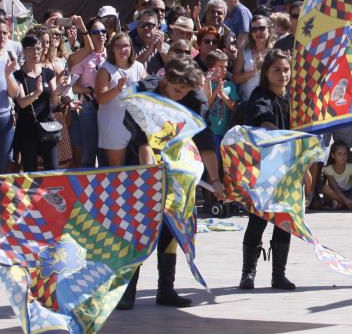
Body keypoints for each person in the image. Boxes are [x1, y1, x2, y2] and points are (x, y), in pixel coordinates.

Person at [118, 58, 226, 310]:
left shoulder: (193, 100)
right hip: (143, 171)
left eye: (185, 92)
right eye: (177, 90)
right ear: (166, 80)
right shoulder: (145, 95)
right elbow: (143, 142)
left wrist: (215, 179)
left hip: (178, 174)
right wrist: (150, 180)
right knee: (140, 231)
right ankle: (126, 292)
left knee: (171, 230)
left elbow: (205, 140)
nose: (180, 97)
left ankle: (166, 289)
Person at [237, 49, 300, 291]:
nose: (283, 74)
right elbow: (263, 117)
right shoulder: (260, 95)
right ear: (266, 72)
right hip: (263, 170)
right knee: (258, 220)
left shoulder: (292, 98)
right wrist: (272, 131)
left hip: (289, 169)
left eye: (286, 69)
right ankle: (248, 273)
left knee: (284, 221)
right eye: (277, 70)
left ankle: (279, 274)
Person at [12, 34, 64, 172]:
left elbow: (54, 102)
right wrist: (36, 93)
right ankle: (32, 194)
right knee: (30, 172)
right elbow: (22, 103)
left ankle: (52, 194)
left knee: (53, 170)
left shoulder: (48, 73)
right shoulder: (18, 75)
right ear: (24, 50)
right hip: (27, 128)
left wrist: (58, 92)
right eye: (31, 49)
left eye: (38, 48)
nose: (35, 52)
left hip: (48, 126)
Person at [95, 32, 147, 167]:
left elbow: (146, 95)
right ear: (112, 49)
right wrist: (118, 88)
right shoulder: (105, 69)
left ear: (131, 47)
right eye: (118, 46)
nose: (123, 50)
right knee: (116, 167)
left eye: (126, 46)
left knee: (139, 165)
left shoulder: (139, 67)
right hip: (113, 124)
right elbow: (100, 99)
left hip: (136, 124)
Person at [67, 17, 108, 168]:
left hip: (108, 106)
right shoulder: (83, 58)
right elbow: (72, 86)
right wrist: (89, 89)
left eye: (103, 31)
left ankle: (106, 187)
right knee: (89, 151)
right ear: (89, 35)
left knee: (105, 150)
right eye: (96, 31)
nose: (101, 35)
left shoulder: (111, 55)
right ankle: (87, 188)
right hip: (89, 105)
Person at [204, 49, 240, 152]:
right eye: (220, 67)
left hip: (226, 131)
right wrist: (216, 91)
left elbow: (234, 107)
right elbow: (207, 105)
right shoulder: (207, 84)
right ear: (211, 68)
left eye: (225, 67)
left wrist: (222, 94)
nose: (224, 70)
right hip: (210, 131)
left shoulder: (230, 85)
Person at [233, 15, 274, 100]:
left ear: (269, 30)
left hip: (268, 102)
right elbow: (235, 79)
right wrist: (254, 71)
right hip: (247, 102)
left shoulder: (275, 51)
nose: (257, 32)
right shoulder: (244, 51)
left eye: (261, 28)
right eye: (254, 30)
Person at [321, 140, 352, 210]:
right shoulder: (328, 169)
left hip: (350, 192)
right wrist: (346, 200)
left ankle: (342, 204)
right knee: (324, 188)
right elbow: (335, 188)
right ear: (333, 155)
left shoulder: (351, 167)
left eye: (345, 154)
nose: (343, 156)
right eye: (339, 154)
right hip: (337, 194)